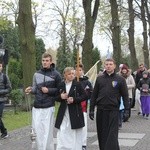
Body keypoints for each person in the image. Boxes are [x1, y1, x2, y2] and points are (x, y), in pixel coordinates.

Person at [89, 58, 129, 150]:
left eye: (110, 64)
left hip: (113, 111)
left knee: (112, 135)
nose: (108, 66)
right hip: (101, 110)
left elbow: (125, 96)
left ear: (114, 66)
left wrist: (127, 110)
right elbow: (94, 95)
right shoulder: (99, 79)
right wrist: (91, 109)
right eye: (106, 64)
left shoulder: (120, 79)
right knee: (102, 135)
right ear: (104, 66)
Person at [25, 52, 61, 150]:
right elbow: (35, 88)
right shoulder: (36, 74)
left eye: (47, 61)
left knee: (47, 132)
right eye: (43, 61)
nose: (45, 62)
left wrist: (49, 90)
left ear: (51, 62)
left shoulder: (56, 74)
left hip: (48, 107)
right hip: (36, 107)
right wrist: (30, 90)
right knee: (37, 131)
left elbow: (60, 90)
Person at [55, 67, 87, 150]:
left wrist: (74, 99)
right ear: (65, 75)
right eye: (69, 74)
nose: (72, 75)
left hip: (75, 112)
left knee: (74, 131)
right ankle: (63, 147)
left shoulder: (77, 84)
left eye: (73, 74)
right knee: (62, 130)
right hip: (63, 112)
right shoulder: (61, 85)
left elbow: (84, 96)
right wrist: (61, 97)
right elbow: (55, 97)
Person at [75, 64, 93, 150]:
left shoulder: (87, 82)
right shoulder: (72, 81)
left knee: (83, 127)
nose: (78, 72)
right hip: (73, 107)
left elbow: (90, 94)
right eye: (76, 70)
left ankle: (83, 144)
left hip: (83, 107)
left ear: (83, 71)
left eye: (80, 70)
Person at [0, 62, 12, 139]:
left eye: (0, 66)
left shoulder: (4, 77)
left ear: (2, 67)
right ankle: (4, 132)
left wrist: (1, 92)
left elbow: (9, 88)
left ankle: (4, 132)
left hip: (1, 100)